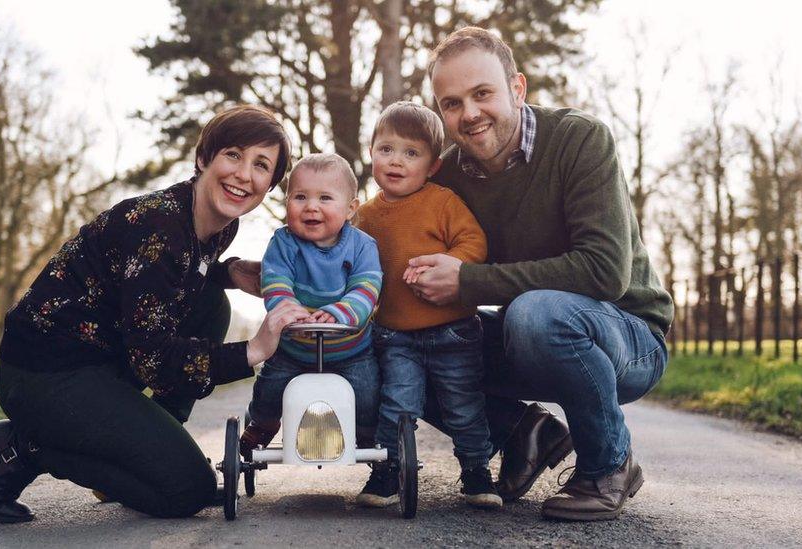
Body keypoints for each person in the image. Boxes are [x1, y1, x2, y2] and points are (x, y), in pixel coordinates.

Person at [0, 104, 309, 523]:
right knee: (188, 490)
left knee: (211, 303)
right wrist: (252, 351)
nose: (244, 175)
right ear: (204, 158)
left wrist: (228, 271)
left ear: (269, 185)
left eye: (261, 166)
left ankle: (140, 454)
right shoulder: (158, 226)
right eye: (234, 155)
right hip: (44, 374)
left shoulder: (219, 224)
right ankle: (25, 446)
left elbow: (168, 277)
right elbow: (155, 360)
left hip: (101, 360)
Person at [408, 27, 674, 521]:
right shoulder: (444, 177)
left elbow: (605, 272)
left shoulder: (579, 139)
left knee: (536, 313)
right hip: (525, 337)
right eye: (451, 103)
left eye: (482, 93)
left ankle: (608, 464)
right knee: (406, 344)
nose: (469, 114)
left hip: (627, 336)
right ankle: (522, 432)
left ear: (517, 88)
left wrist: (468, 281)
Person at [354, 101, 500, 509]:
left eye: (411, 153)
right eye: (386, 149)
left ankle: (476, 472)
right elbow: (346, 259)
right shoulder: (365, 216)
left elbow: (475, 243)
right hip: (395, 334)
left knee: (464, 405)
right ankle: (387, 472)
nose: (396, 161)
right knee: (397, 405)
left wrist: (452, 266)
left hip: (453, 331)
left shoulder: (442, 202)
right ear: (371, 153)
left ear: (433, 165)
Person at [239, 153, 382, 455]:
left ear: (350, 208)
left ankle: (368, 435)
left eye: (325, 198)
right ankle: (263, 423)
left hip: (351, 349)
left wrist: (341, 312)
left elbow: (367, 287)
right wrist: (287, 309)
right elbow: (275, 281)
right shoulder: (283, 243)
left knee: (368, 393)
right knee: (271, 387)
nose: (311, 207)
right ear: (288, 201)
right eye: (300, 197)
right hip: (294, 347)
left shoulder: (362, 246)